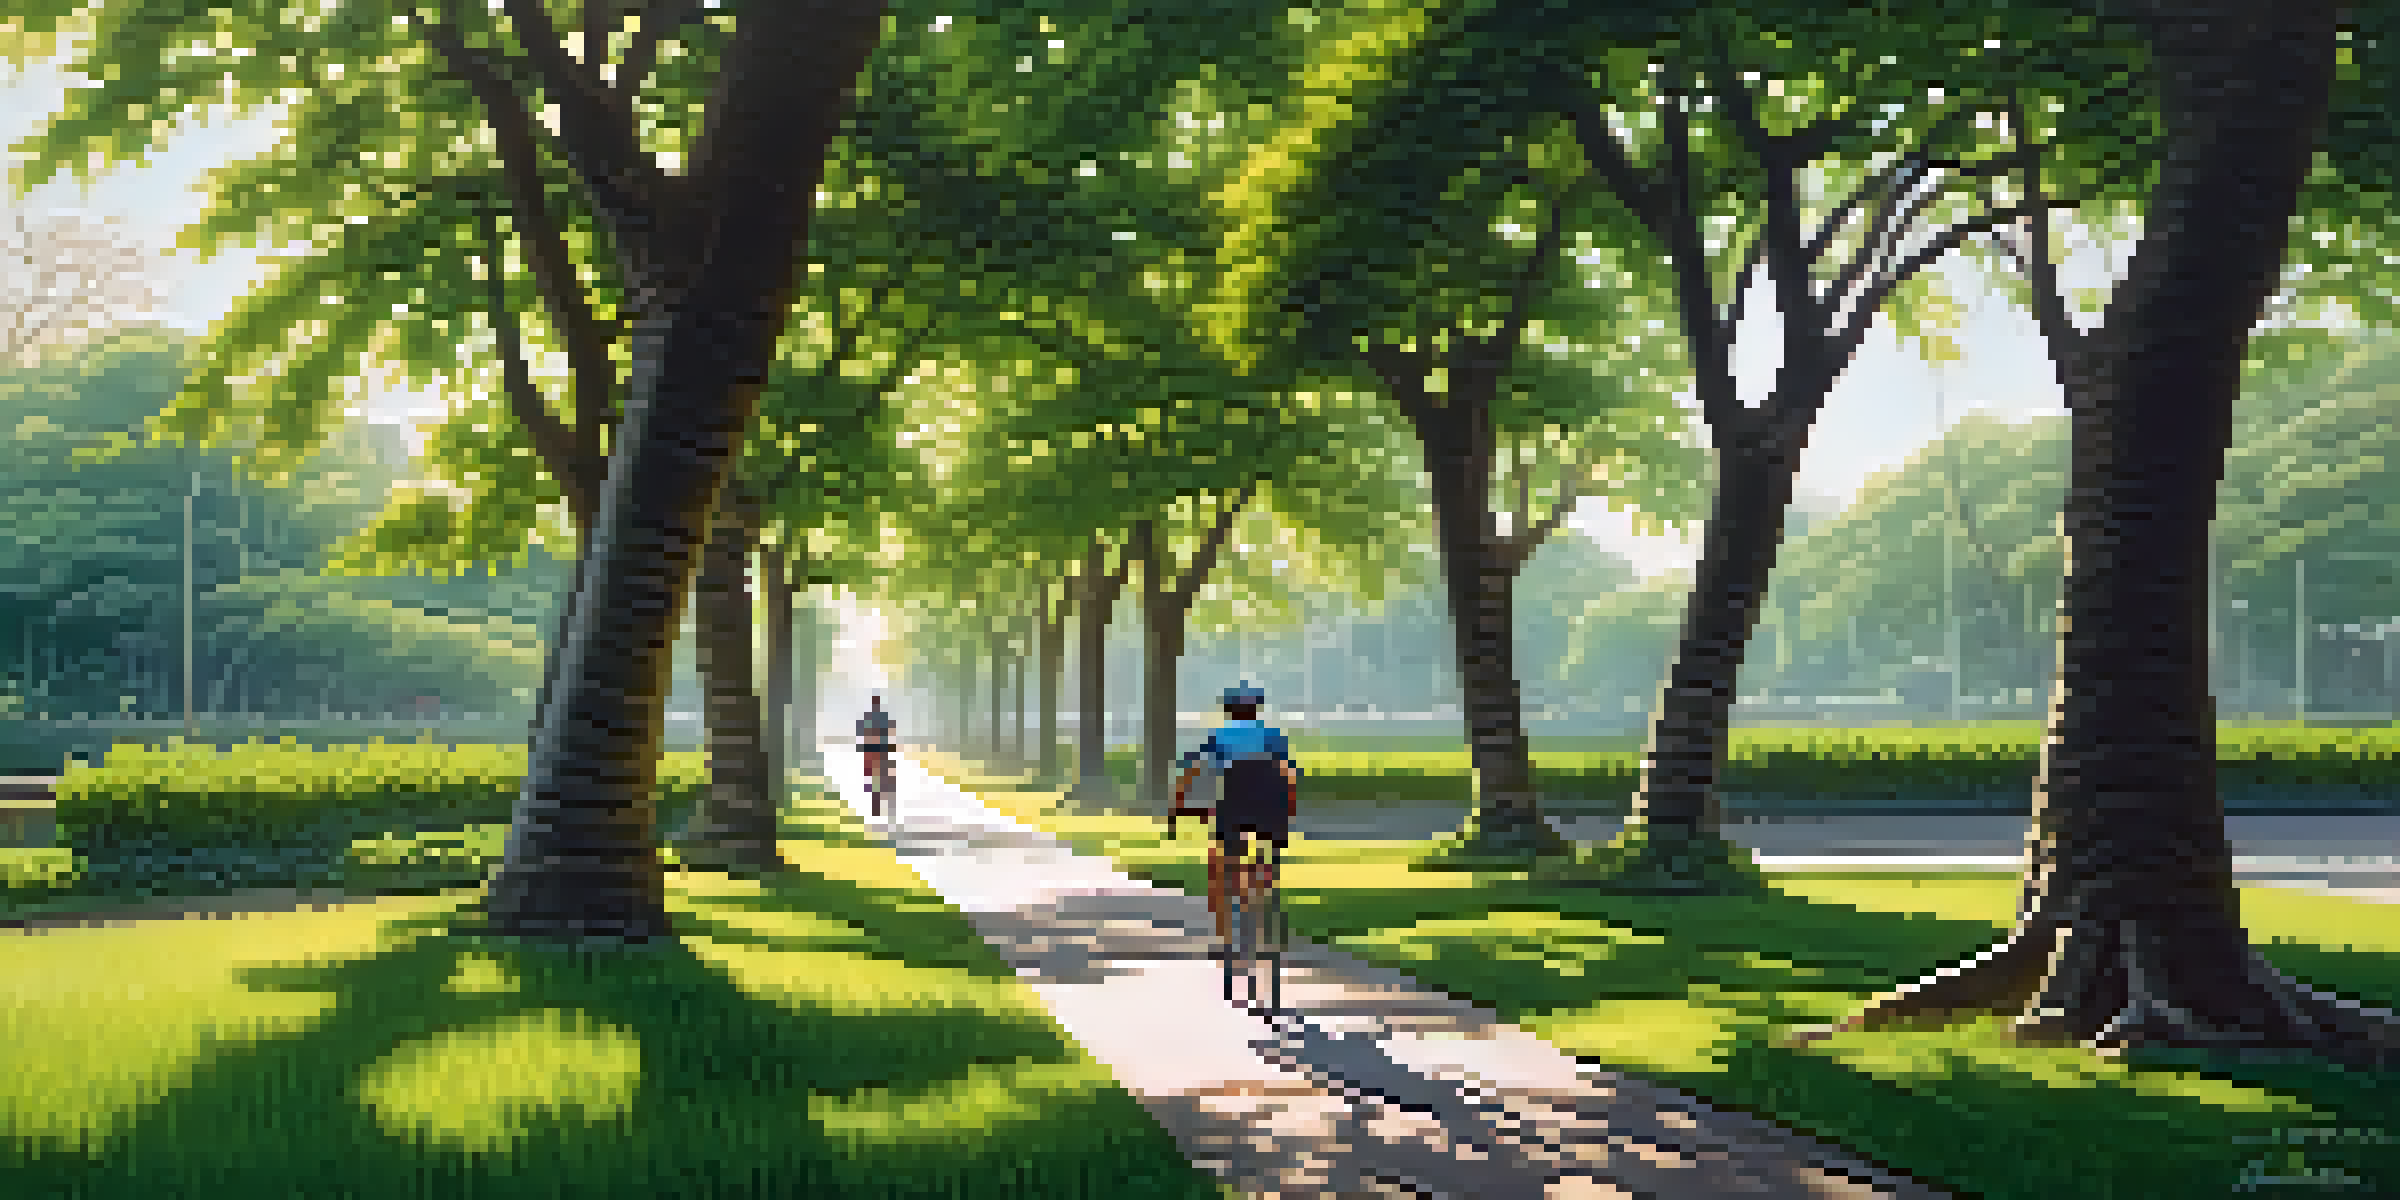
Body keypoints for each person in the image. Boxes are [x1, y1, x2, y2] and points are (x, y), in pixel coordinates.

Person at [1170, 681, 1303, 947]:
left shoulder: (1219, 736)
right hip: (1271, 806)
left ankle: (1224, 935)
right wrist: (1289, 808)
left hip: (1235, 803)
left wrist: (1178, 804)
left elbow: (1193, 769)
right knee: (1263, 855)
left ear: (1229, 710)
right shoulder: (1272, 735)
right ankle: (1260, 895)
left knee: (1219, 860)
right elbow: (1288, 774)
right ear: (1256, 710)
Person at [857, 695, 897, 812]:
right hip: (877, 749)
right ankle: (878, 802)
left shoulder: (869, 717)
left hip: (875, 749)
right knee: (878, 774)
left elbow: (862, 732)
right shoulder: (880, 717)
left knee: (877, 774)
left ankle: (878, 802)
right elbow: (889, 731)